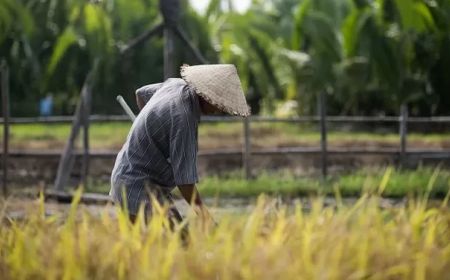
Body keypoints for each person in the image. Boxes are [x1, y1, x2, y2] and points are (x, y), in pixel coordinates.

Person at [110, 64, 250, 223]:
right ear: (205, 94)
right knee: (174, 242)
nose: (219, 109)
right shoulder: (184, 119)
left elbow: (141, 94)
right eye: (218, 102)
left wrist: (152, 129)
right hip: (135, 185)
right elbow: (185, 182)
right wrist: (206, 219)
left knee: (181, 239)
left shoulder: (175, 84)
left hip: (145, 182)